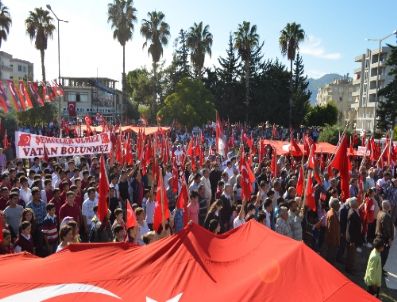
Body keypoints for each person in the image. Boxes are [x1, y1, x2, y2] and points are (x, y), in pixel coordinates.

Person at [375, 200, 394, 273]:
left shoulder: (380, 213)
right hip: (384, 240)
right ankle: (379, 270)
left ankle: (380, 268)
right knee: (383, 256)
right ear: (387, 207)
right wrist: (389, 239)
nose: (390, 206)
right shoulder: (386, 216)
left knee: (381, 255)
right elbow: (387, 230)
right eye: (389, 205)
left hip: (380, 238)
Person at [345, 197, 362, 274]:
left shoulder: (353, 211)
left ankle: (350, 267)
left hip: (353, 238)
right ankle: (349, 269)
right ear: (353, 205)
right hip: (352, 239)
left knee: (352, 254)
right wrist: (352, 241)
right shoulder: (352, 214)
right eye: (356, 202)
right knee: (351, 255)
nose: (358, 203)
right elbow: (351, 229)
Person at [325, 198, 340, 263]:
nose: (339, 206)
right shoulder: (332, 215)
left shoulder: (330, 211)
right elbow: (332, 230)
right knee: (331, 255)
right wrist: (335, 242)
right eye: (338, 204)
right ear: (334, 205)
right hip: (332, 240)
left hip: (331, 239)